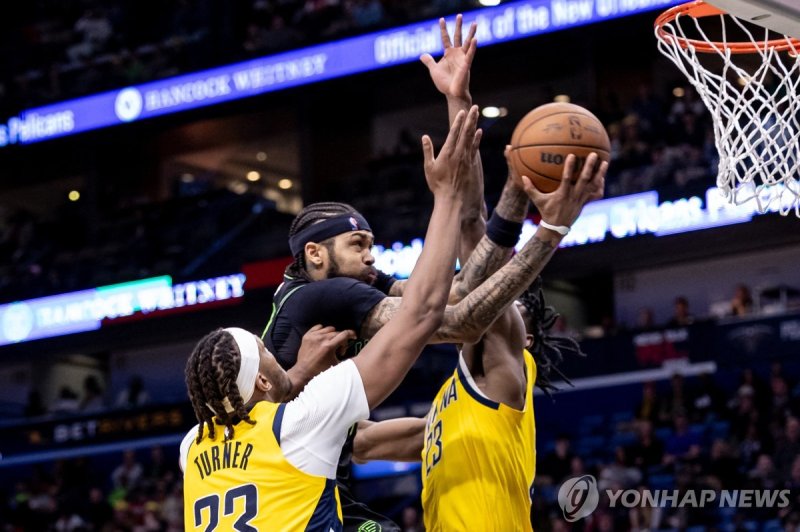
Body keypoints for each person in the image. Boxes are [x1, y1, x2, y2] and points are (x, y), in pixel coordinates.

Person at [180, 107, 480, 531]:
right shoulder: (321, 299)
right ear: (315, 254)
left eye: (370, 244)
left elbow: (359, 440)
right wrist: (464, 203)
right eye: (357, 244)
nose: (370, 256)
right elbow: (437, 315)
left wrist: (458, 103)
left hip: (301, 474)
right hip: (306, 485)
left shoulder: (194, 444)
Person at [354, 152, 606, 530]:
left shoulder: (506, 373)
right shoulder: (447, 414)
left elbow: (478, 249)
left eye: (513, 306)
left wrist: (521, 191)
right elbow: (361, 442)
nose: (498, 303)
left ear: (525, 339)